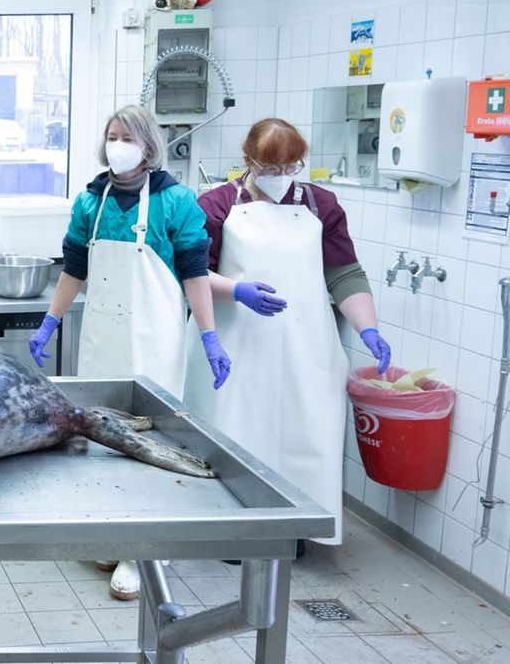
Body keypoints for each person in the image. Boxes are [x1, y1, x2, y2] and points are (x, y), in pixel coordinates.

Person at [25, 104, 230, 602]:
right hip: (102, 343)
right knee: (100, 440)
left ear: (148, 144)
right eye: (111, 135)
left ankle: (146, 553)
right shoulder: (91, 202)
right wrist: (51, 320)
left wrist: (208, 334)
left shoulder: (176, 201)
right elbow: (74, 268)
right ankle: (112, 535)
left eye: (127, 136)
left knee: (151, 448)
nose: (117, 144)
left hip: (155, 346)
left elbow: (194, 275)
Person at [187, 118, 390, 550]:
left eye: (291, 167)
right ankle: (231, 534)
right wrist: (237, 292)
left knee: (305, 432)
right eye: (271, 167)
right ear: (248, 161)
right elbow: (192, 274)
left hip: (305, 346)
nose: (282, 177)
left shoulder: (322, 205)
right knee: (237, 434)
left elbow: (343, 273)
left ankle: (293, 528)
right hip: (235, 343)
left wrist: (367, 327)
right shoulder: (217, 205)